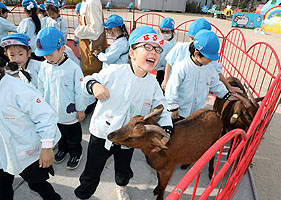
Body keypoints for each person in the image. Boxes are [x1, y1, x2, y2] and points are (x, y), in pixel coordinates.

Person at [74, 26, 173, 200]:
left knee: (123, 167)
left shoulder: (152, 84)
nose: (154, 52)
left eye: (158, 49)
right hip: (102, 133)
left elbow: (162, 108)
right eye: (147, 47)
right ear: (132, 53)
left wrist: (167, 130)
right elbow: (88, 80)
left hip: (129, 137)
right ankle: (84, 193)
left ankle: (121, 187)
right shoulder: (115, 72)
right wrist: (94, 86)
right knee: (93, 167)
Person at [0, 58, 62, 200]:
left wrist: (47, 148)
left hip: (26, 151)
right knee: (2, 187)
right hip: (3, 152)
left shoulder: (18, 89)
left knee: (37, 183)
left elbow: (46, 117)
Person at [35, 27, 87, 169]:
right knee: (59, 134)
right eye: (44, 55)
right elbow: (41, 86)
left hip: (69, 113)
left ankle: (76, 152)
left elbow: (80, 91)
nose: (46, 58)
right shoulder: (44, 66)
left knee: (73, 136)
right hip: (52, 111)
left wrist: (81, 109)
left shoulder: (73, 68)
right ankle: (63, 149)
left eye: (50, 54)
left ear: (62, 48)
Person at [165, 30, 237, 121]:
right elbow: (171, 89)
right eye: (209, 58)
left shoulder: (209, 68)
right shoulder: (182, 67)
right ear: (197, 54)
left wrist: (225, 94)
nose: (211, 61)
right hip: (180, 112)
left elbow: (215, 83)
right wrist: (173, 107)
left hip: (197, 111)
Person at [161, 18, 242, 94]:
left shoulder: (205, 55)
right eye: (191, 38)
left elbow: (217, 72)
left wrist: (229, 87)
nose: (192, 43)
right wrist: (166, 80)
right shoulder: (180, 47)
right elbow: (169, 62)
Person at [75, 0, 107, 76]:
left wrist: (78, 31)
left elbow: (96, 29)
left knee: (93, 76)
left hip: (92, 49)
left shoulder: (92, 3)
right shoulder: (85, 2)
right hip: (86, 48)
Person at [155, 17, 176, 85]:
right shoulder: (160, 41)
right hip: (159, 70)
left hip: (167, 72)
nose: (164, 34)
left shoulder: (174, 45)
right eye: (162, 31)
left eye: (167, 32)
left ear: (172, 31)